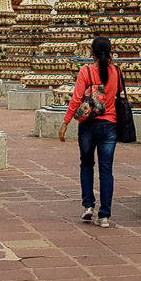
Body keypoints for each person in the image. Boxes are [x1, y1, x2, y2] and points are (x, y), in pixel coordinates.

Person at [59, 36, 120, 228]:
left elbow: (77, 99)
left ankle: (88, 205)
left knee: (86, 164)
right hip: (109, 124)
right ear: (110, 52)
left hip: (88, 125)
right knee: (106, 170)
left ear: (91, 53)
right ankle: (105, 215)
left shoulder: (86, 71)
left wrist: (65, 122)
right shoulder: (116, 71)